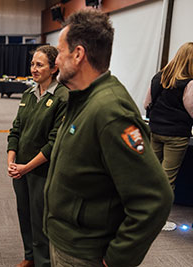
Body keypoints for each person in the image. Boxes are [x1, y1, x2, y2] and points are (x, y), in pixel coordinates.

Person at [43, 9, 173, 267]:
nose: (56, 60)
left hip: (85, 254)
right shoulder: (79, 98)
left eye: (60, 51)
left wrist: (117, 259)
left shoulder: (110, 111)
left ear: (78, 54)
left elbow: (155, 199)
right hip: (67, 241)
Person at [7, 45, 68, 267]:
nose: (33, 68)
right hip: (20, 169)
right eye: (32, 64)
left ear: (54, 68)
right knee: (24, 214)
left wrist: (26, 167)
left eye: (39, 65)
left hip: (42, 171)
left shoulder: (63, 97)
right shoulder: (28, 94)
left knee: (41, 218)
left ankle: (43, 262)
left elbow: (54, 143)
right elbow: (15, 130)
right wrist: (11, 161)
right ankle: (30, 256)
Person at [144, 42, 193, 230]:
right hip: (176, 136)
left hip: (155, 131)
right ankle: (159, 220)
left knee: (151, 175)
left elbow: (146, 103)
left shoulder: (158, 77)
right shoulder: (189, 83)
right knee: (166, 179)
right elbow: (191, 110)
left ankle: (144, 214)